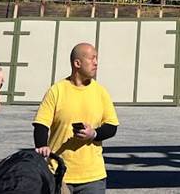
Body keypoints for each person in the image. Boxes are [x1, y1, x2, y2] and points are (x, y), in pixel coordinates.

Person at [34, 42, 120, 194]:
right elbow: (41, 124)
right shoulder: (57, 90)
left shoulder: (101, 92)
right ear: (77, 63)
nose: (96, 63)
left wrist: (93, 134)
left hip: (93, 177)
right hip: (59, 174)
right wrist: (42, 145)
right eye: (92, 58)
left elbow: (112, 126)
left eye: (96, 58)